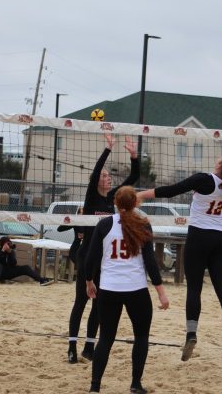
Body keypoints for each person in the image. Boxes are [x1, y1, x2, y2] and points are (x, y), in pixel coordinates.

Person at [137, 151, 222, 361]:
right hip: (219, 238)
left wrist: (141, 195)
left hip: (198, 237)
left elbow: (170, 191)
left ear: (220, 163)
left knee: (194, 288)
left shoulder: (204, 180)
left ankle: (191, 335)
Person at [85, 186, 169, 393]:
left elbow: (91, 258)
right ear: (136, 204)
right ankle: (135, 384)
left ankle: (95, 387)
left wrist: (89, 282)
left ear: (115, 203)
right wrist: (161, 292)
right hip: (136, 289)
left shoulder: (104, 225)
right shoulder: (144, 224)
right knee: (141, 337)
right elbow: (150, 262)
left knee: (105, 338)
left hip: (109, 289)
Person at [68, 133, 140, 364]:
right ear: (96, 179)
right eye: (105, 176)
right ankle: (72, 346)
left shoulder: (112, 198)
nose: (108, 178)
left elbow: (135, 177)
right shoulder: (91, 198)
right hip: (86, 256)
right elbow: (97, 170)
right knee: (81, 302)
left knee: (98, 306)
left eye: (110, 176)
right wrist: (108, 148)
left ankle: (89, 347)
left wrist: (134, 156)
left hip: (104, 260)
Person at [57, 206, 84, 271]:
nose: (83, 215)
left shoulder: (91, 222)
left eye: (84, 213)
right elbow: (59, 229)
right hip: (77, 246)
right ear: (78, 214)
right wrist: (68, 221)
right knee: (76, 259)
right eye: (81, 213)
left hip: (87, 246)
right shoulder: (75, 222)